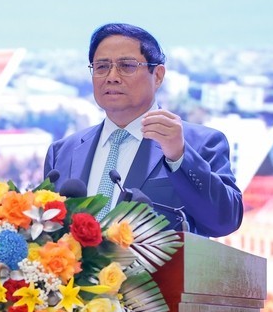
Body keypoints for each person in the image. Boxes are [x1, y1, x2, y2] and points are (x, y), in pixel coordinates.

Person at [43, 22, 243, 237]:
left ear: (157, 76)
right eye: (101, 67)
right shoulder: (62, 152)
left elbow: (225, 221)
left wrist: (179, 156)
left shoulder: (199, 143)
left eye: (126, 66)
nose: (112, 76)